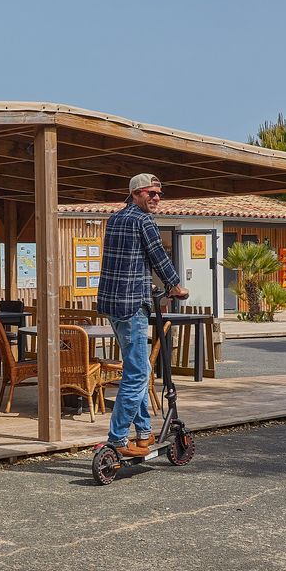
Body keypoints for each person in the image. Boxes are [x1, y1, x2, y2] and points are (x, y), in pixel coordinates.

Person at [96, 172, 189, 457]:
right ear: (136, 194)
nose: (157, 198)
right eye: (151, 193)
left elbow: (133, 258)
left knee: (140, 369)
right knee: (137, 374)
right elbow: (158, 255)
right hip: (133, 304)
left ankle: (145, 433)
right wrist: (175, 286)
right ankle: (118, 439)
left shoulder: (116, 219)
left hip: (112, 304)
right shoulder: (143, 220)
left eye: (159, 194)